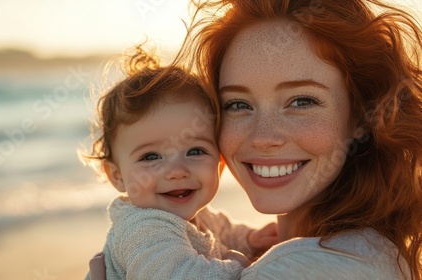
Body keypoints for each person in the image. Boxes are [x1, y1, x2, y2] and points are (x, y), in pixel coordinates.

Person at [89, 0, 422, 279]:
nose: (263, 138)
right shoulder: (368, 250)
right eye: (237, 104)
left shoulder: (327, 266)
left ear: (363, 116)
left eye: (302, 101)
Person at [83, 47, 277, 279]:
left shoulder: (200, 215)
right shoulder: (143, 228)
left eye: (195, 151)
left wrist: (249, 239)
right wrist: (239, 265)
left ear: (220, 164)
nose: (176, 171)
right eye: (151, 157)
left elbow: (226, 231)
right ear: (118, 176)